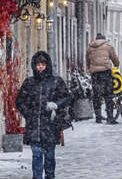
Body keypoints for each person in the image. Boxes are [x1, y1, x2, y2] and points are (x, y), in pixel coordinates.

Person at [16, 51, 71, 179]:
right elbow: (20, 101)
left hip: (51, 126)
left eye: (43, 64)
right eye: (37, 64)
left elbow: (67, 98)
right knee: (36, 155)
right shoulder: (29, 83)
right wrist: (29, 114)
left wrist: (56, 105)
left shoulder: (56, 81)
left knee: (50, 157)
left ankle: (50, 176)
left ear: (47, 65)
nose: (40, 67)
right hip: (34, 126)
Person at [86, 33, 120, 124]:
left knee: (96, 95)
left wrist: (90, 68)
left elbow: (87, 61)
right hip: (106, 72)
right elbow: (114, 58)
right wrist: (116, 65)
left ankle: (98, 117)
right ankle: (110, 117)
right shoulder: (108, 46)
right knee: (108, 94)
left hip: (95, 74)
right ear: (104, 39)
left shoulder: (90, 48)